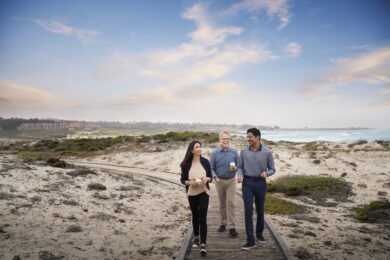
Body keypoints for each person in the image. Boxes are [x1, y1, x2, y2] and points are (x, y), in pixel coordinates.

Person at [237, 128, 276, 250]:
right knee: (248, 211)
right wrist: (240, 175)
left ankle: (259, 234)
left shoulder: (267, 152)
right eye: (247, 137)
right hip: (247, 183)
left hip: (260, 183)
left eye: (250, 137)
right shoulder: (243, 151)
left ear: (258, 137)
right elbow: (240, 167)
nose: (248, 139)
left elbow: (272, 169)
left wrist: (267, 174)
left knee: (260, 210)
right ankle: (250, 240)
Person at [180, 140, 212, 256]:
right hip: (192, 192)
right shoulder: (185, 164)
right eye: (197, 147)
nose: (199, 148)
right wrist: (190, 183)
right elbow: (183, 180)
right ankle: (197, 236)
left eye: (200, 146)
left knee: (203, 216)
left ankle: (203, 244)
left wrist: (206, 179)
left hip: (204, 191)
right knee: (195, 215)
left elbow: (210, 177)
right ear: (192, 150)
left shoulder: (206, 162)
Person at [210, 131, 239, 238]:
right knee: (222, 203)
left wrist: (236, 169)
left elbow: (239, 165)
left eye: (228, 139)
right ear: (220, 140)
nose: (226, 140)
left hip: (231, 180)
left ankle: (232, 226)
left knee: (231, 202)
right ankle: (223, 223)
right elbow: (211, 168)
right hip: (219, 181)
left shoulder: (234, 152)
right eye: (224, 139)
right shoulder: (214, 153)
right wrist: (215, 176)